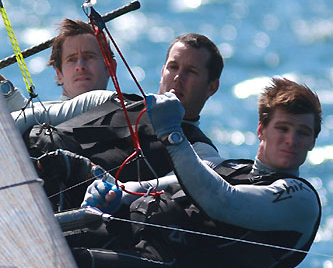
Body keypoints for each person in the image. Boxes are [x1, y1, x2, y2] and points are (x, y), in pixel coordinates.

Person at [70, 77, 322, 268]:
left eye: (303, 133)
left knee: (63, 261)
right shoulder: (231, 167)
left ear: (312, 142)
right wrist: (116, 193)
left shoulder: (300, 200)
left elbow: (224, 202)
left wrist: (172, 134)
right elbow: (159, 184)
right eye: (283, 128)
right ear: (261, 130)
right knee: (52, 202)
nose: (292, 140)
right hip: (128, 238)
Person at [27, 33, 224, 209]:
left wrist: (98, 179)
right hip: (27, 162)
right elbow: (34, 115)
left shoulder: (202, 152)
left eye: (191, 71)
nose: (178, 77)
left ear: (212, 87)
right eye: (173, 67)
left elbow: (161, 187)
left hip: (71, 203)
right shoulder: (109, 99)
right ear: (163, 71)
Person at [0, 18, 114, 112]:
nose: (80, 66)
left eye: (89, 57)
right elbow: (16, 106)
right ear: (59, 74)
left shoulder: (129, 111)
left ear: (111, 67)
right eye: (71, 60)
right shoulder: (38, 118)